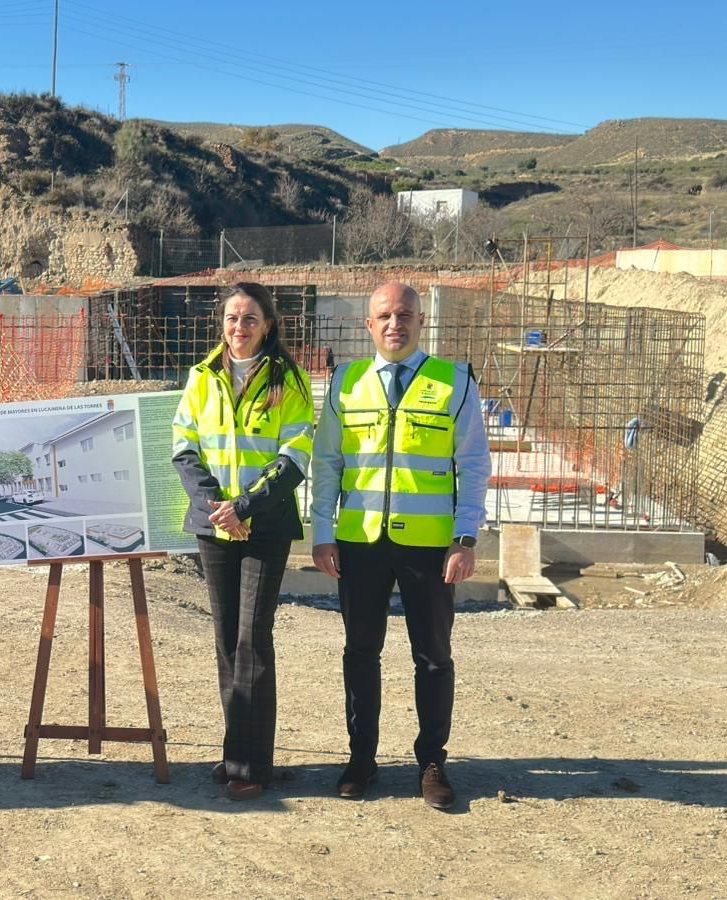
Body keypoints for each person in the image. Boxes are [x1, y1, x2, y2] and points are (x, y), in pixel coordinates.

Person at [310, 281, 490, 811]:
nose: (395, 323)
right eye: (384, 315)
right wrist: (323, 532)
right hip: (359, 542)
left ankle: (432, 762)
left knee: (433, 657)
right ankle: (361, 758)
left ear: (421, 321)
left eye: (405, 314)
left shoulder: (454, 381)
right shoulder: (346, 382)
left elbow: (474, 464)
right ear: (369, 325)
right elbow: (327, 464)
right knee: (360, 653)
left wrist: (465, 537)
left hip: (431, 548)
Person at [172, 282, 315, 801]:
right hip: (214, 524)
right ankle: (236, 753)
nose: (239, 328)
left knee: (253, 638)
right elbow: (184, 447)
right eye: (232, 318)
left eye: (250, 319)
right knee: (226, 637)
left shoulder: (288, 381)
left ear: (268, 325)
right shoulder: (202, 378)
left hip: (265, 525)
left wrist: (245, 507)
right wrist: (217, 507)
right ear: (222, 324)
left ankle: (254, 765)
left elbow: (295, 456)